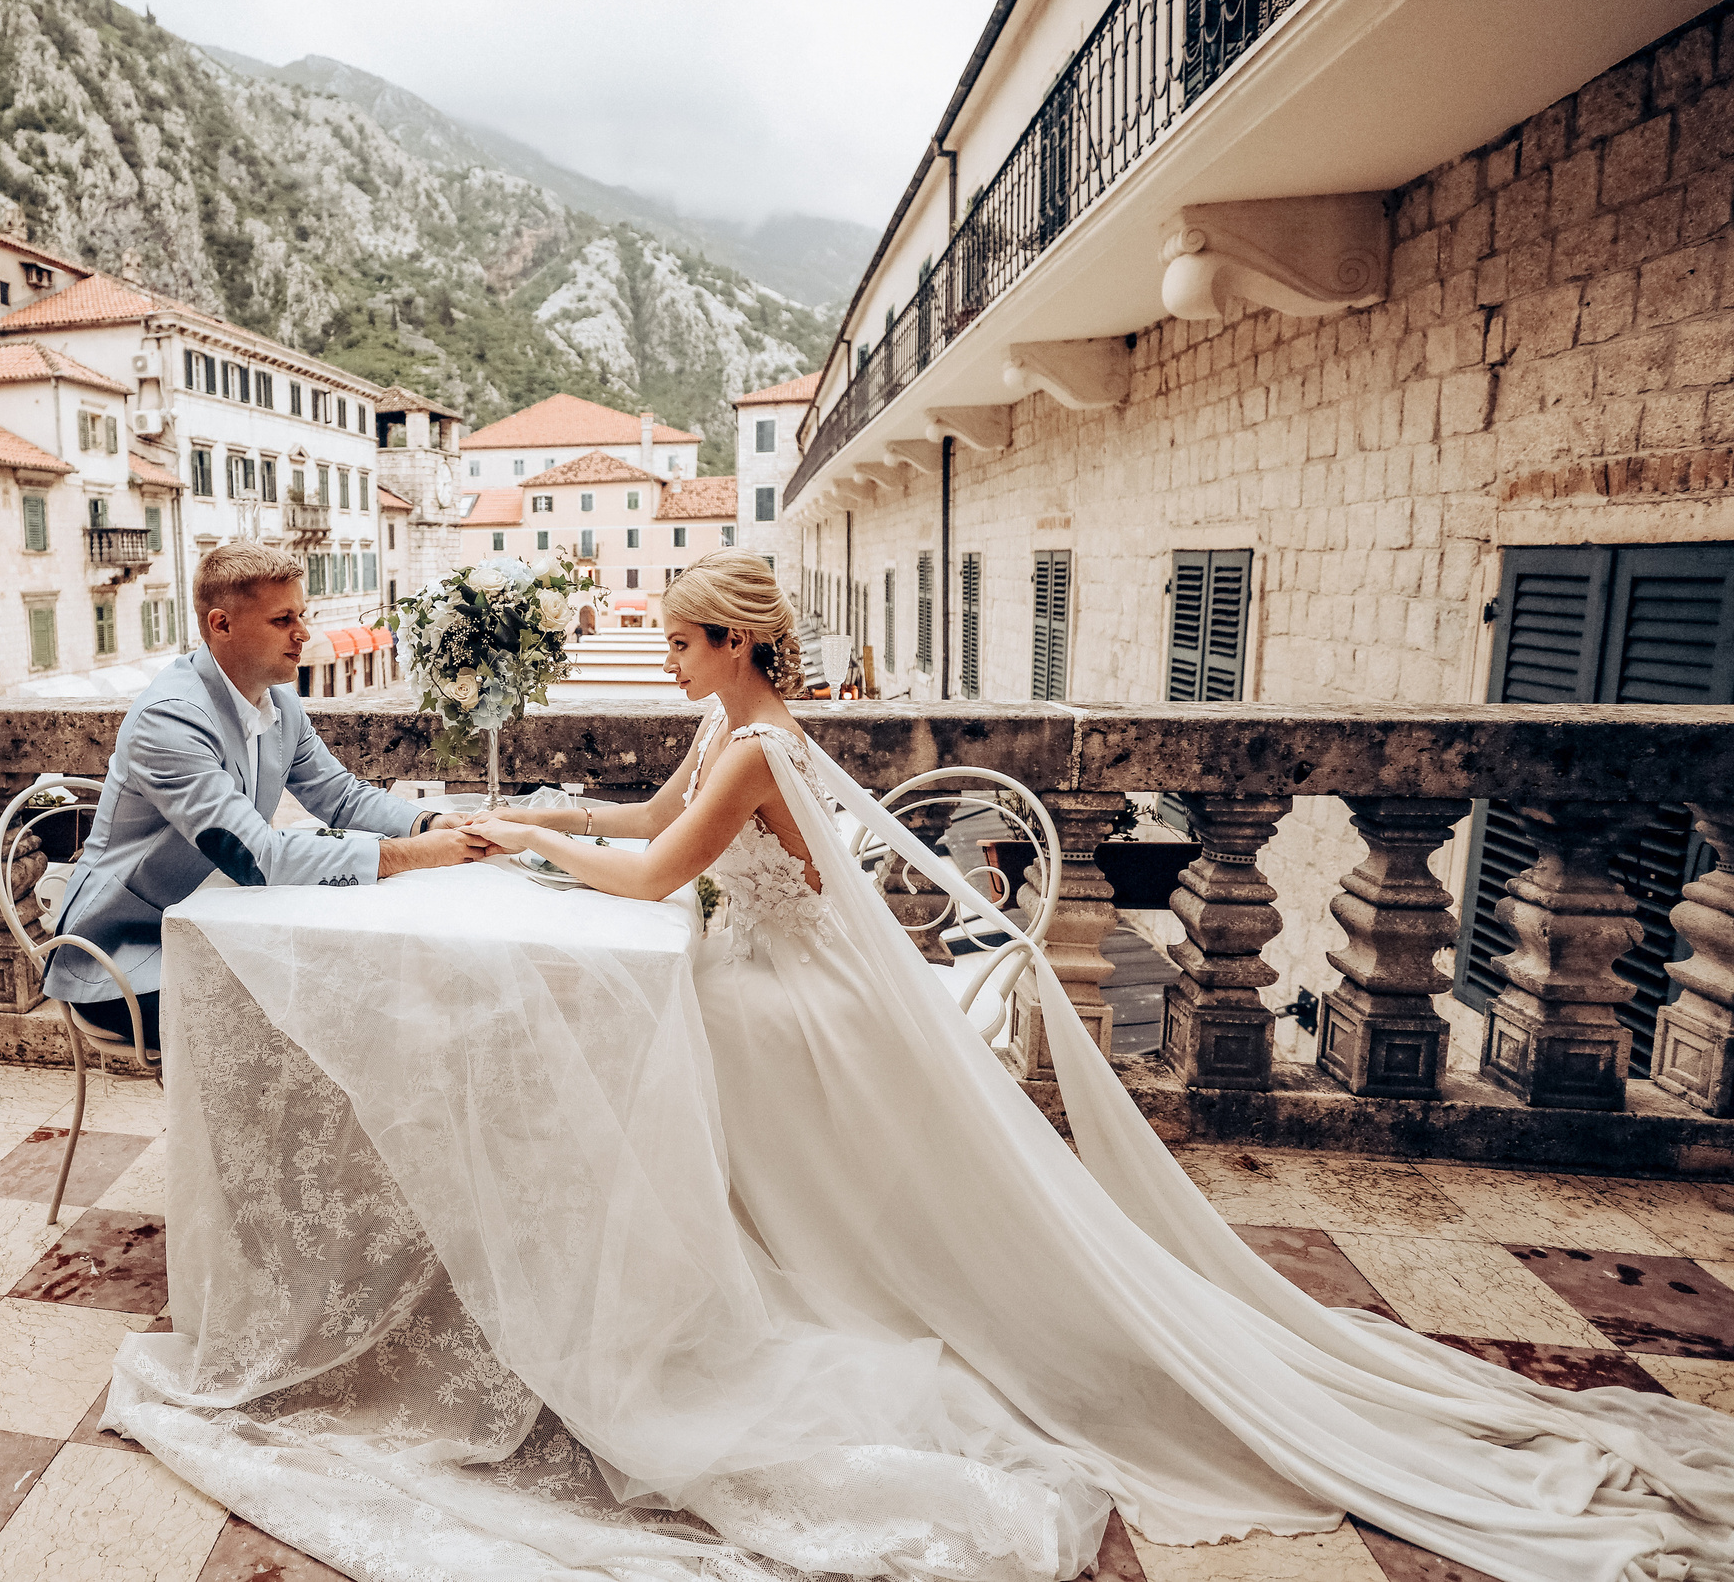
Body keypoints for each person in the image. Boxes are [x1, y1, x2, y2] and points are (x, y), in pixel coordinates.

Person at [426, 548, 1734, 1580]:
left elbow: (658, 870)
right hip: (772, 972)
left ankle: (752, 1310)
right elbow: (644, 820)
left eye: (678, 638)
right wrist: (526, 817)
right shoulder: (731, 733)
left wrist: (538, 855)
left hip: (781, 1003)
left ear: (736, 643)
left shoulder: (758, 745)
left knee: (684, 1064)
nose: (664, 655)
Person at [38, 540, 487, 1045]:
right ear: (221, 624)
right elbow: (261, 857)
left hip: (220, 921)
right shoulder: (170, 718)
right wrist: (416, 854)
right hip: (126, 956)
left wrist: (428, 825)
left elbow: (339, 795)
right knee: (324, 1007)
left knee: (361, 980)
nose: (304, 634)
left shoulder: (279, 701)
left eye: (302, 614)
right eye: (282, 620)